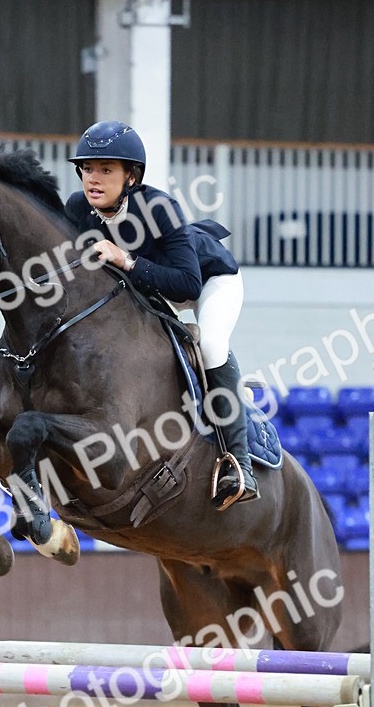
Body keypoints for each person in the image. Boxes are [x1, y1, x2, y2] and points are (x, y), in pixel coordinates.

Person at [65, 120, 258, 508]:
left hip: (207, 280)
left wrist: (126, 259)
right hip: (149, 288)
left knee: (211, 346)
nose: (93, 179)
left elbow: (187, 284)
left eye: (106, 170)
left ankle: (239, 462)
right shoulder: (77, 209)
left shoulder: (159, 207)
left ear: (131, 177)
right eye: (87, 169)